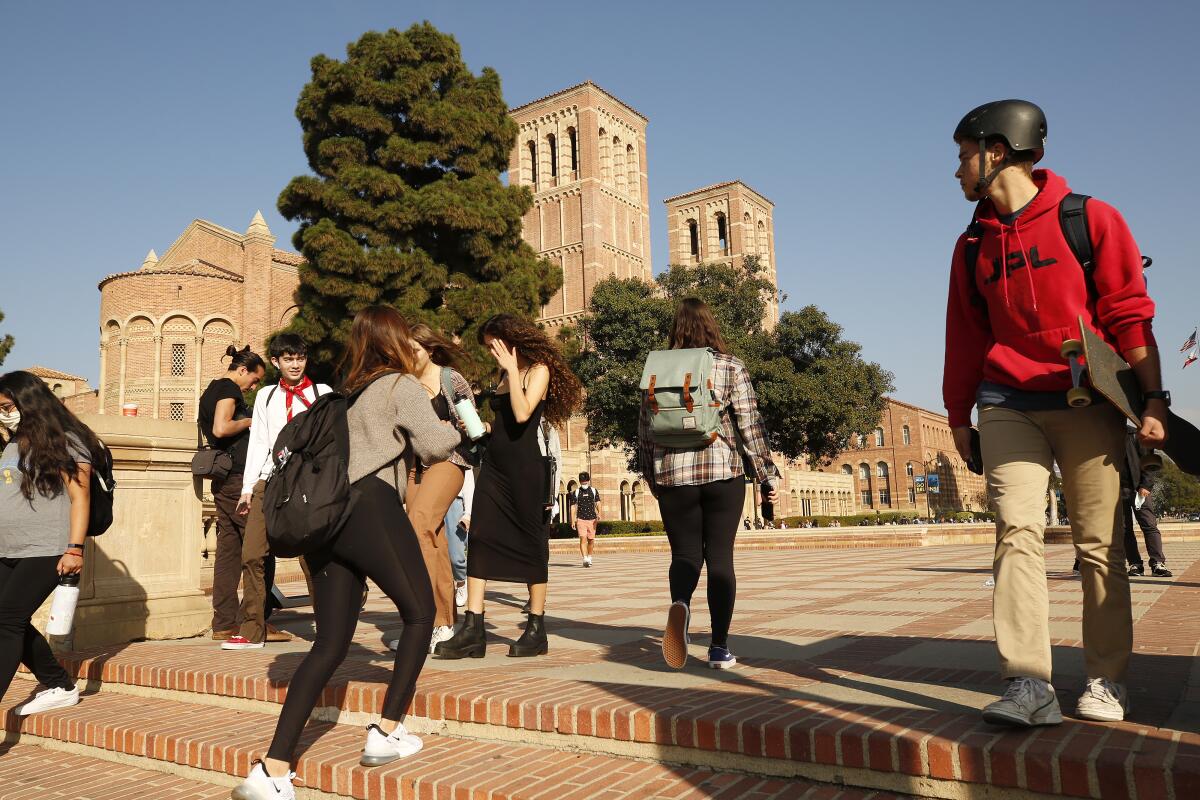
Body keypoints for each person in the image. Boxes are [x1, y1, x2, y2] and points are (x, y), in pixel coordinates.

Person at [944, 100, 1166, 726]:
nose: (957, 170)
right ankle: (1029, 684)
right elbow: (963, 335)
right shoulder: (971, 247)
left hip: (1086, 398)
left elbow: (1128, 313)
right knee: (1015, 532)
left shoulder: (1089, 218)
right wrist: (959, 413)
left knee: (1099, 545)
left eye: (963, 156)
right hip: (1006, 399)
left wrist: (1152, 399)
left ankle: (1106, 679)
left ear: (996, 151)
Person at [232, 306, 459, 800]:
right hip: (369, 505)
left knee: (329, 643)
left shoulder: (346, 396)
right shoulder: (400, 387)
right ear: (396, 340)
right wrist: (460, 417)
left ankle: (272, 769)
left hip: (325, 518)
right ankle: (388, 730)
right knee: (421, 615)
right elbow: (439, 444)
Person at [638, 298, 779, 671]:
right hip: (722, 473)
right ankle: (719, 648)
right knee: (720, 559)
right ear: (712, 326)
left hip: (672, 475)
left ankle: (681, 605)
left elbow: (645, 432)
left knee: (684, 556)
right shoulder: (730, 366)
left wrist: (654, 480)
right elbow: (751, 426)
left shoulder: (656, 369)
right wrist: (766, 474)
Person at [434, 314, 582, 660]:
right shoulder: (503, 375)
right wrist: (480, 425)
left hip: (526, 469)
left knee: (532, 544)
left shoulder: (538, 370)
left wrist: (514, 370)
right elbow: (503, 421)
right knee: (481, 538)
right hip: (495, 468)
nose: (491, 353)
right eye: (487, 347)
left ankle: (536, 628)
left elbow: (521, 413)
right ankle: (474, 627)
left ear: (512, 341)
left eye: (493, 345)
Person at [0, 371, 101, 716]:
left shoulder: (67, 439)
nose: (3, 413)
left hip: (46, 547)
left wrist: (75, 548)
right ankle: (59, 683)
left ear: (28, 402)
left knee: (8, 620)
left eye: (7, 406)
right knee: (7, 619)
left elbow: (80, 496)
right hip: (7, 547)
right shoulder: (14, 442)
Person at [223, 335, 329, 650]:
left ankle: (328, 630)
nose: (295, 364)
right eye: (288, 359)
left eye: (299, 358)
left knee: (314, 558)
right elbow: (258, 443)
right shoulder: (267, 396)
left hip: (309, 483)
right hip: (269, 482)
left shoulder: (322, 394)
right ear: (276, 362)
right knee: (252, 553)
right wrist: (247, 488)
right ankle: (253, 629)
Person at [387, 323, 476, 654]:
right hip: (413, 467)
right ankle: (439, 623)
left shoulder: (451, 380)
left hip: (450, 460)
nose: (409, 356)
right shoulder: (404, 384)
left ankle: (432, 622)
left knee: (421, 522)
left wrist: (452, 425)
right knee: (427, 538)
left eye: (415, 350)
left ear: (431, 350)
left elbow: (474, 427)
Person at [199, 345, 266, 642]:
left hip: (223, 479)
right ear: (242, 370)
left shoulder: (211, 389)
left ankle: (224, 622)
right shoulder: (227, 388)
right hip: (238, 479)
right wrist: (253, 421)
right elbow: (222, 427)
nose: (254, 386)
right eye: (253, 380)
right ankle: (255, 620)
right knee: (259, 545)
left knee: (228, 551)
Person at [1120, 431, 1171, 578]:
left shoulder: (1133, 434)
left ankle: (1157, 563)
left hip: (1138, 489)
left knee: (1149, 525)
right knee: (1124, 529)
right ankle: (1135, 564)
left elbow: (1149, 461)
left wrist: (1146, 485)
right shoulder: (1105, 436)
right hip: (1116, 489)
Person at [444, 468, 474, 608]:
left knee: (456, 555)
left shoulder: (461, 453)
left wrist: (468, 514)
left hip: (455, 503)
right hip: (432, 501)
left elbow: (469, 486)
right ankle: (444, 590)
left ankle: (461, 581)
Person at [573, 471, 601, 567]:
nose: (584, 483)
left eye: (585, 482)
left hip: (592, 520)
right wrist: (573, 519)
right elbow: (573, 506)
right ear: (580, 482)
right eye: (582, 482)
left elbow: (598, 502)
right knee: (583, 538)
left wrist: (599, 513)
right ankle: (585, 558)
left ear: (588, 481)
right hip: (581, 519)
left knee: (591, 540)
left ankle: (589, 556)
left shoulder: (593, 491)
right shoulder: (576, 492)